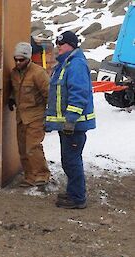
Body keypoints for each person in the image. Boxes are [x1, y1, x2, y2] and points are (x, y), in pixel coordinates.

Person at [45, 31, 96, 209]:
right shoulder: (66, 64)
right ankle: (73, 192)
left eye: (63, 44)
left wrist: (70, 119)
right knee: (68, 160)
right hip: (67, 125)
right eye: (58, 44)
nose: (59, 47)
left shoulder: (76, 65)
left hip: (74, 126)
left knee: (72, 160)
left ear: (72, 45)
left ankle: (77, 198)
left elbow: (78, 94)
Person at [9, 42, 50, 187]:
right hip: (21, 116)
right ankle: (30, 176)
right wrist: (11, 99)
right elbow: (15, 91)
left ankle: (42, 175)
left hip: (36, 116)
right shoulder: (14, 73)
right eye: (16, 59)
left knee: (33, 146)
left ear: (28, 58)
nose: (18, 62)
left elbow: (49, 94)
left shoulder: (38, 73)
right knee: (22, 148)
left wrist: (49, 116)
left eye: (22, 60)